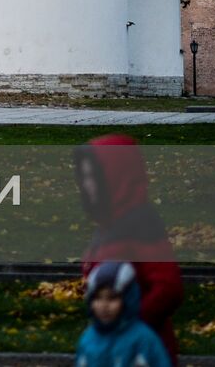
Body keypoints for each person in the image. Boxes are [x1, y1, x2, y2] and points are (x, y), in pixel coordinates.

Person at [74, 134, 183, 365]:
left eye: (93, 176)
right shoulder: (109, 224)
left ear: (114, 176)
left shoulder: (140, 224)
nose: (87, 184)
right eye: (83, 177)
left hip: (140, 353)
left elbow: (168, 287)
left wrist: (130, 325)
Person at [75, 260, 173, 367]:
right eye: (97, 298)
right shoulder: (88, 340)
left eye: (112, 298)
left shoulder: (143, 340)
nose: (104, 305)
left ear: (128, 299)